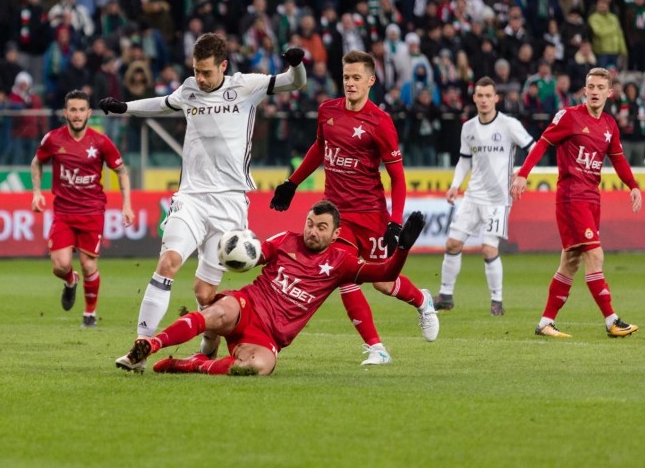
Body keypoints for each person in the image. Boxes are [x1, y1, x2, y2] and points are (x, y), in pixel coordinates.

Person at [101, 33, 307, 372]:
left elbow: (293, 83)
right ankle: (140, 348)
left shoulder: (246, 86)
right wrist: (126, 108)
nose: (200, 78)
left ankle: (208, 345)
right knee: (168, 263)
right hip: (191, 198)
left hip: (229, 203)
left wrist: (296, 63)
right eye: (196, 70)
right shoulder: (189, 89)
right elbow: (164, 102)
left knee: (204, 292)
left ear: (223, 66)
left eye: (207, 72)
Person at [116, 202, 425, 375]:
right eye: (310, 223)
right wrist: (241, 255)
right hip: (247, 307)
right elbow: (254, 254)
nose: (312, 231)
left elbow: (384, 272)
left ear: (335, 234)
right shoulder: (285, 240)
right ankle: (149, 346)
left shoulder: (342, 263)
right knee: (217, 309)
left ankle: (191, 364)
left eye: (321, 228)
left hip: (269, 337)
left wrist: (403, 251)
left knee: (259, 368)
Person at [270, 50, 438, 365]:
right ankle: (377, 348)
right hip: (336, 214)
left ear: (370, 81)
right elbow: (319, 149)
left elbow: (398, 178)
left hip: (371, 213)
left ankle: (422, 299)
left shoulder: (381, 122)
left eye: (356, 78)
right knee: (343, 274)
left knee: (382, 282)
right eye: (346, 77)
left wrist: (395, 222)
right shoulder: (327, 111)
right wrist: (292, 183)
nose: (350, 83)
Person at [511, 67, 642, 338]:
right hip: (572, 197)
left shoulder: (609, 125)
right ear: (585, 90)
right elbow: (542, 143)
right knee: (595, 254)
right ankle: (611, 320)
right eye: (590, 87)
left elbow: (617, 159)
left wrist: (634, 186)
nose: (594, 92)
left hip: (593, 197)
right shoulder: (569, 117)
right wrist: (523, 173)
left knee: (570, 261)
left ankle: (546, 322)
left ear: (609, 92)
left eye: (599, 88)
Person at [31, 90, 134, 327]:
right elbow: (37, 162)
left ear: (89, 113)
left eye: (81, 110)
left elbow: (121, 171)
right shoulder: (53, 139)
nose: (77, 115)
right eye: (73, 110)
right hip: (63, 213)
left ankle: (89, 314)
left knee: (89, 265)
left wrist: (126, 204)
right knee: (60, 266)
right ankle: (70, 281)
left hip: (92, 211)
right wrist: (36, 192)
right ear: (65, 113)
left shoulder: (100, 142)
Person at [434, 78, 534, 315]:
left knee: (489, 249)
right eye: (480, 95)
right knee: (452, 244)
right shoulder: (468, 127)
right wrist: (455, 185)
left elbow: (535, 147)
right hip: (472, 197)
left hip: (498, 200)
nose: (484, 100)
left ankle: (497, 301)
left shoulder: (509, 125)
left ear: (496, 98)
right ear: (474, 98)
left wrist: (523, 173)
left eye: (489, 95)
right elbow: (464, 160)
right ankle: (446, 295)